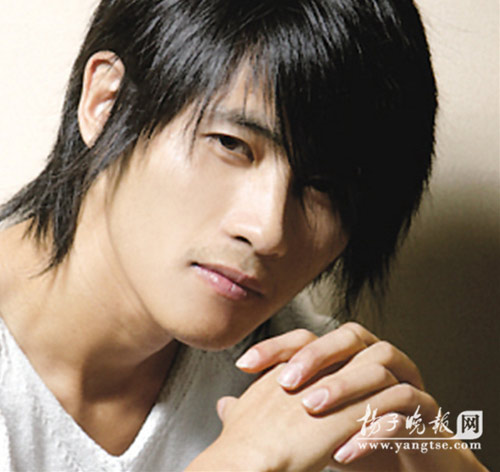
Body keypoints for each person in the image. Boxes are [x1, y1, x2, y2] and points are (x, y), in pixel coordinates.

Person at [0, 0, 488, 470]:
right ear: (106, 103)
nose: (268, 232)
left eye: (323, 187)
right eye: (231, 144)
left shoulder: (304, 375)